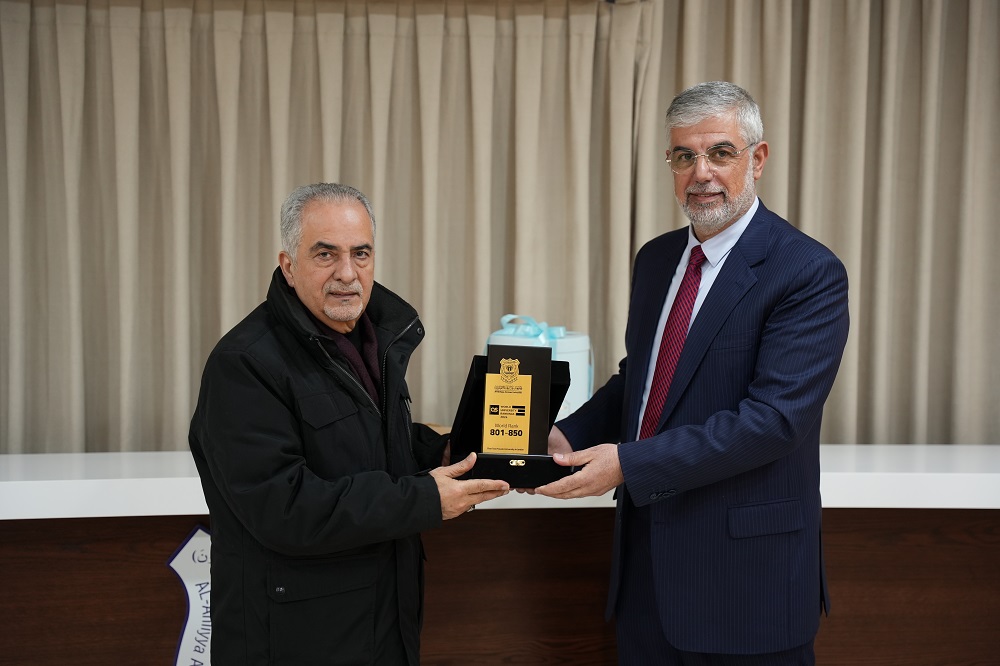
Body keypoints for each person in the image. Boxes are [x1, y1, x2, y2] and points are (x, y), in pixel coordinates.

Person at [535, 82, 850, 664]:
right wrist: (568, 433)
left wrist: (628, 464)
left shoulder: (807, 271)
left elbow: (774, 421)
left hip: (748, 586)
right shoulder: (656, 260)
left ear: (757, 158)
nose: (700, 173)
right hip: (647, 579)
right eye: (684, 156)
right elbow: (644, 377)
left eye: (720, 153)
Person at [189, 182, 510, 665]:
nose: (347, 273)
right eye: (325, 254)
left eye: (361, 253)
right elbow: (283, 507)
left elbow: (366, 441)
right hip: (294, 639)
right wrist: (424, 499)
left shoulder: (374, 339)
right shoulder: (244, 363)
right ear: (288, 265)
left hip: (382, 626)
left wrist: (443, 452)